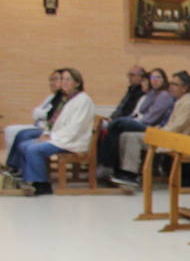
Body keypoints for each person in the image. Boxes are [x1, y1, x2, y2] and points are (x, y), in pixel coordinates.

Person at [6, 67, 94, 195]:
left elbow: (74, 128)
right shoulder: (67, 99)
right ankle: (28, 179)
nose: (64, 82)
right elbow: (54, 121)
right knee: (24, 145)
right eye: (63, 79)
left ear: (78, 83)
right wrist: (47, 134)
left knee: (33, 149)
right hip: (61, 137)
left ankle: (42, 185)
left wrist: (52, 137)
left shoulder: (83, 100)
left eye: (68, 79)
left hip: (73, 140)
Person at [114, 70, 190, 184]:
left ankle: (131, 174)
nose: (171, 87)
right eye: (171, 84)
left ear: (185, 88)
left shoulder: (189, 103)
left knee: (133, 137)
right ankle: (124, 171)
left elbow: (177, 126)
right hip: (168, 135)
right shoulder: (180, 101)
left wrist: (157, 133)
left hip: (179, 140)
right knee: (125, 135)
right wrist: (157, 130)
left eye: (175, 84)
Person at [97, 67, 172, 177]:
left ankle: (107, 165)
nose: (154, 80)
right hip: (140, 121)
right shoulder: (152, 94)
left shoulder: (164, 95)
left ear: (164, 79)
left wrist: (132, 121)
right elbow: (141, 109)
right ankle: (111, 167)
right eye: (152, 77)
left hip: (149, 126)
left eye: (158, 77)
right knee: (117, 130)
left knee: (119, 123)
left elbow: (150, 118)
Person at [4, 69, 64, 150]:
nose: (52, 83)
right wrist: (41, 113)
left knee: (22, 134)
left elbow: (47, 115)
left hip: (46, 128)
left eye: (55, 79)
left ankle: (19, 160)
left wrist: (41, 113)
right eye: (51, 80)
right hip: (37, 124)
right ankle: (10, 159)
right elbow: (35, 113)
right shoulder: (50, 97)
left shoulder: (65, 99)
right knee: (10, 129)